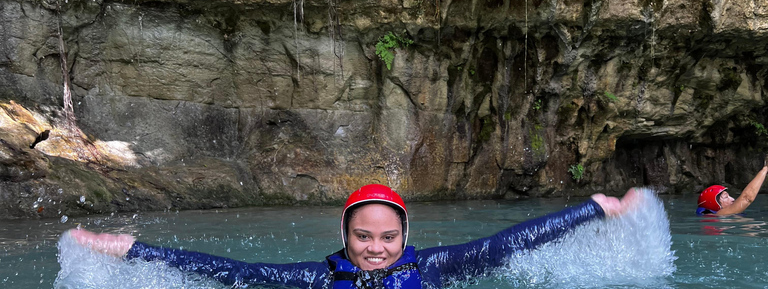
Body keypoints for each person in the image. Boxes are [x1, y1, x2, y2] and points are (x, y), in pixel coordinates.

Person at [68, 183, 641, 289]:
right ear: (343, 235)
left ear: (406, 236)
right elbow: (231, 270)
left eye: (388, 238)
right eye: (363, 236)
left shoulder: (436, 268)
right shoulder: (319, 280)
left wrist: (590, 211)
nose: (375, 248)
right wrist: (133, 250)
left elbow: (510, 244)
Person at [696, 165, 768, 215]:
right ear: (715, 204)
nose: (733, 199)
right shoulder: (719, 215)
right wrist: (765, 169)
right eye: (726, 197)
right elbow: (747, 198)